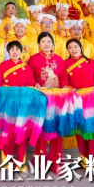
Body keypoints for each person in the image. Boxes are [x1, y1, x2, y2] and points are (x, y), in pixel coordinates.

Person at [27, 32, 68, 173]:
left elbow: (63, 76)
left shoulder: (59, 59)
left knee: (56, 129)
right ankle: (41, 161)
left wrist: (64, 87)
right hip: (41, 97)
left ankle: (57, 162)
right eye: (43, 41)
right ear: (39, 44)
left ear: (53, 44)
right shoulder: (33, 59)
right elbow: (29, 77)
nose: (46, 44)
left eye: (49, 41)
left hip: (57, 98)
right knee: (41, 129)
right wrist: (35, 85)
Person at [64, 38, 94, 168]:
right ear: (67, 50)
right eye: (70, 48)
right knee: (81, 130)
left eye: (75, 46)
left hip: (93, 99)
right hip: (77, 100)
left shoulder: (91, 62)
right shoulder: (65, 63)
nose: (73, 49)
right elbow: (64, 81)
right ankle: (85, 160)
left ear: (81, 47)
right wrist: (69, 89)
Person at [0, 41, 36, 177]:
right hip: (7, 104)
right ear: (8, 52)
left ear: (21, 51)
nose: (14, 52)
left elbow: (31, 86)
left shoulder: (26, 68)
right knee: (7, 133)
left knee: (22, 134)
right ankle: (6, 162)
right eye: (12, 50)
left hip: (22, 106)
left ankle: (20, 162)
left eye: (17, 50)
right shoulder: (3, 66)